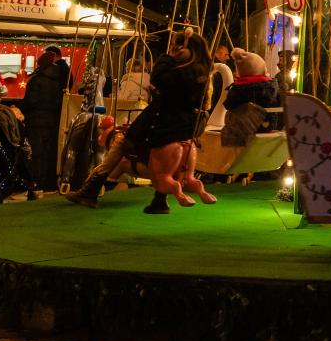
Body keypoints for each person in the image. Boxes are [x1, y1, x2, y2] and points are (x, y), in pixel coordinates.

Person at [67, 30, 212, 210]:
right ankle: (159, 201)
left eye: (177, 46)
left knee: (122, 144)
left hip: (163, 123)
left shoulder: (179, 70)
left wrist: (167, 58)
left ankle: (91, 188)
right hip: (184, 128)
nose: (173, 49)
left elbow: (159, 78)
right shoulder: (202, 73)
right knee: (166, 167)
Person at [20, 51, 64, 192]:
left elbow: (30, 101)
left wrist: (22, 109)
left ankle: (33, 182)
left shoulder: (36, 79)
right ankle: (44, 183)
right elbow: (57, 102)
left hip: (35, 121)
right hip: (49, 122)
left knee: (35, 154)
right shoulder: (55, 81)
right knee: (45, 154)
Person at [115, 58, 151, 123]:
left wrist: (115, 95)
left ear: (131, 68)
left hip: (129, 115)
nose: (126, 68)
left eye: (127, 66)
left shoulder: (129, 81)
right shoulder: (148, 81)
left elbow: (121, 99)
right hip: (144, 115)